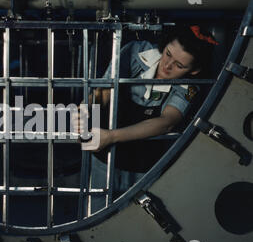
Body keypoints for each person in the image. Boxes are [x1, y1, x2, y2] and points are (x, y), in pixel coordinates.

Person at [74, 25, 218, 215]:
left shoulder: (189, 87)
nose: (167, 66)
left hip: (145, 168)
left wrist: (111, 136)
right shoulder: (136, 51)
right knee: (95, 216)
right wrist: (82, 113)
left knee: (139, 222)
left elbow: (167, 122)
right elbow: (104, 91)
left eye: (179, 65)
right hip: (104, 160)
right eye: (168, 54)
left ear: (194, 70)